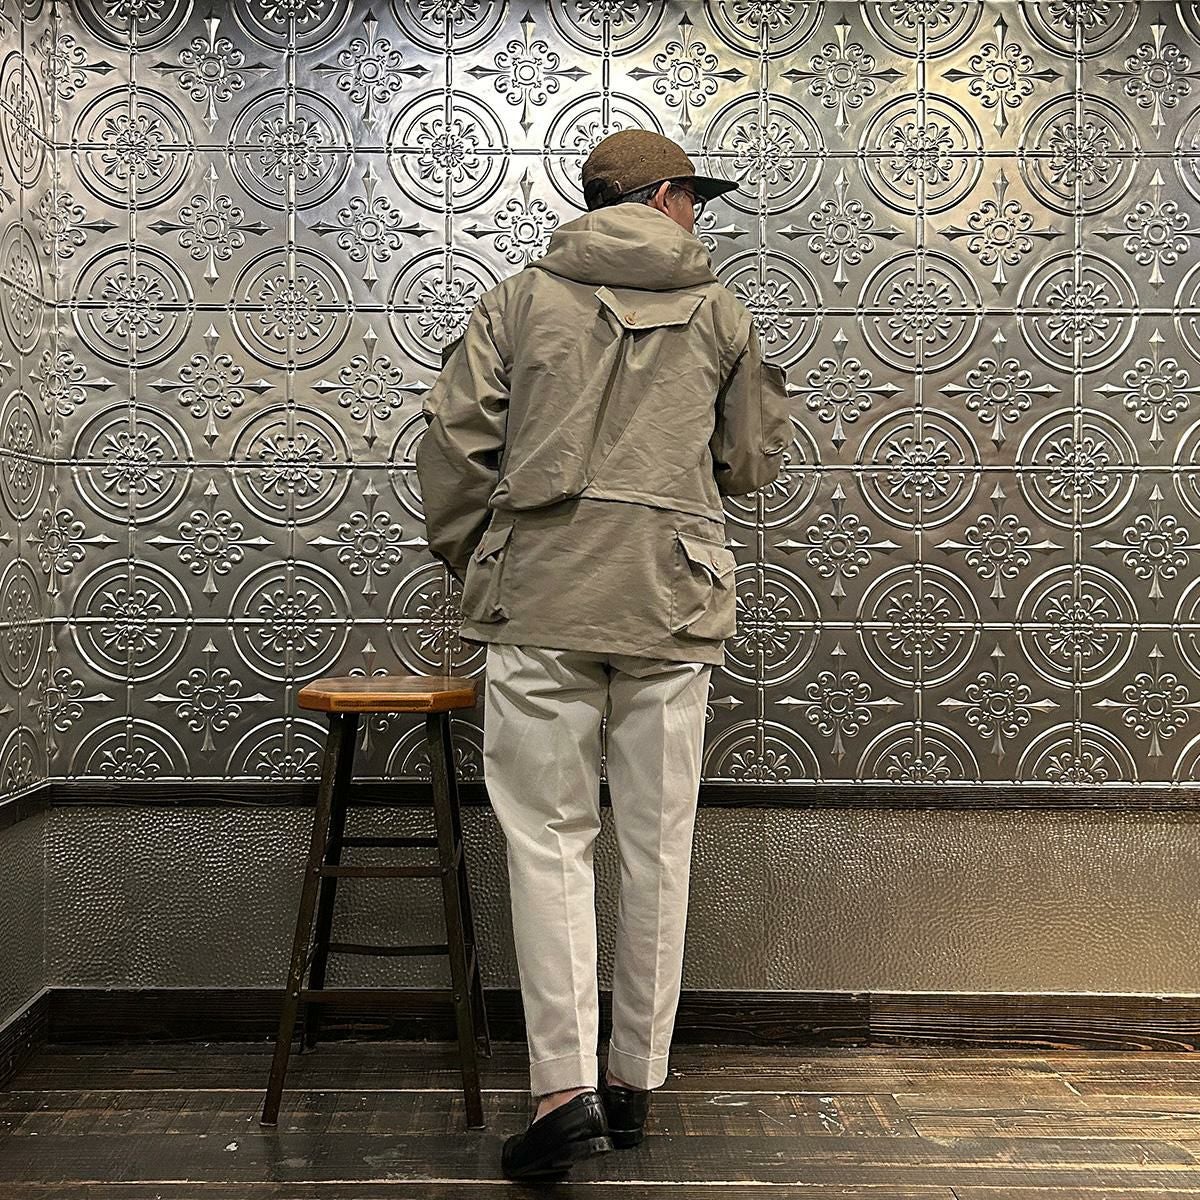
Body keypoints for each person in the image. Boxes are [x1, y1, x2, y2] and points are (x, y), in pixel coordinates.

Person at [415, 129, 790, 1181]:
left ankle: (561, 1093)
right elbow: (749, 464)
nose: (698, 213)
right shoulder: (721, 310)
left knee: (547, 843)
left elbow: (453, 450)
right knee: (660, 842)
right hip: (672, 598)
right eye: (693, 196)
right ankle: (634, 1082)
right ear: (663, 196)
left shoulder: (516, 300)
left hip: (541, 595)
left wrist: (487, 557)